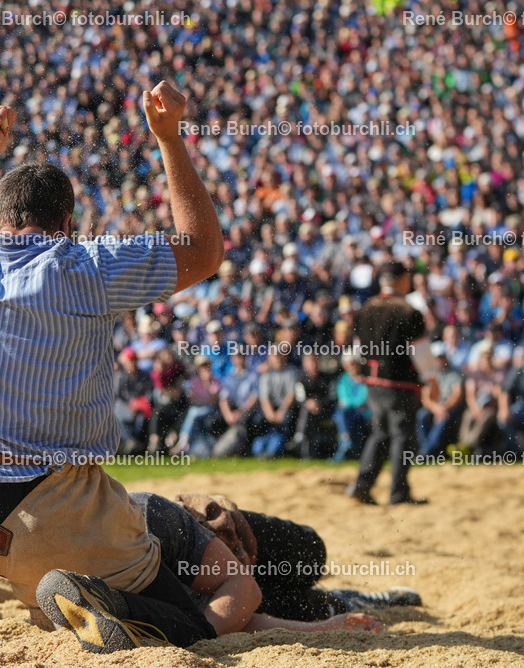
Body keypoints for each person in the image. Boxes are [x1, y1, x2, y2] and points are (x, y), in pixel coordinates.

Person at [0, 83, 224, 654]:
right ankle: (105, 603)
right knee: (194, 626)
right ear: (67, 223)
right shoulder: (90, 265)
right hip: (66, 523)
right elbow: (204, 249)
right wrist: (168, 139)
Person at [129, 492, 420, 635]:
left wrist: (217, 518)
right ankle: (345, 601)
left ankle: (338, 602)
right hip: (216, 591)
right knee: (307, 608)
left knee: (311, 554)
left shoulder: (148, 516)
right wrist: (324, 627)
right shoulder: (136, 600)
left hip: (215, 543)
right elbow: (236, 617)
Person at [347, 262, 437, 505]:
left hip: (373, 382)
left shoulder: (366, 308)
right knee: (402, 437)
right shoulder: (408, 311)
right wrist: (432, 379)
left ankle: (362, 485)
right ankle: (399, 492)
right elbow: (421, 353)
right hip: (400, 384)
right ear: (403, 279)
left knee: (380, 434)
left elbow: (356, 348)